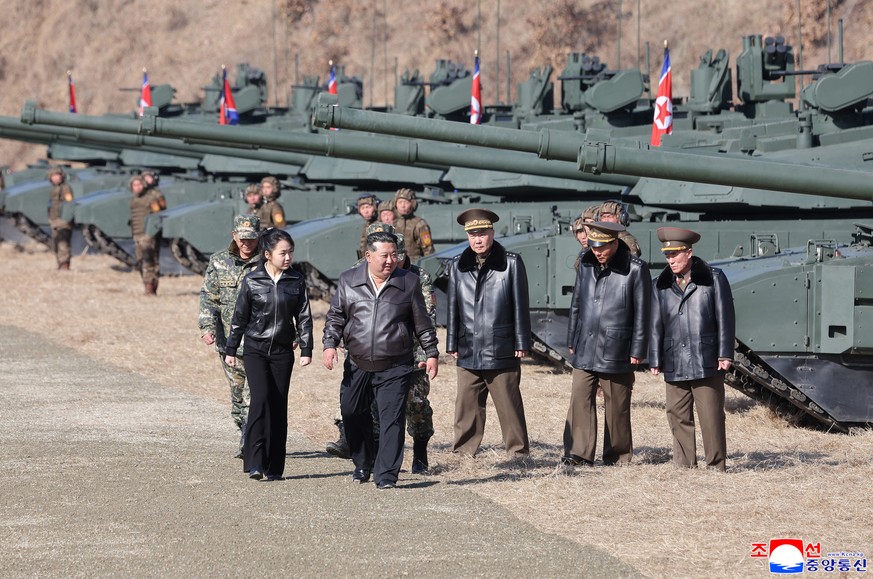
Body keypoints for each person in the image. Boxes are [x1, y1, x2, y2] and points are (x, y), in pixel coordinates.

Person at [322, 231, 439, 489]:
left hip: (395, 363)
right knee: (352, 413)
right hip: (357, 361)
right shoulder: (348, 280)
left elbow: (423, 323)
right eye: (384, 255)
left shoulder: (408, 282)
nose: (390, 261)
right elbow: (336, 317)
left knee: (391, 419)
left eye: (394, 255)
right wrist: (329, 344)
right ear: (368, 256)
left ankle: (386, 474)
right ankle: (363, 462)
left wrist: (431, 353)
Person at [224, 228, 313, 480]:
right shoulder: (252, 280)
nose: (288, 258)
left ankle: (274, 467)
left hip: (283, 352)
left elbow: (304, 317)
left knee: (278, 405)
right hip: (256, 350)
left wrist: (306, 348)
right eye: (282, 253)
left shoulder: (296, 281)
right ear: (267, 254)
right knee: (260, 399)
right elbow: (239, 317)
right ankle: (254, 462)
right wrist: (231, 348)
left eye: (290, 253)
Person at [564, 221, 651, 466]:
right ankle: (579, 453)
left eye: (602, 247)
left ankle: (618, 455)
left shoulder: (635, 269)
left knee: (617, 405)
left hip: (617, 345)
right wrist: (572, 336)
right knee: (580, 398)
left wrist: (638, 348)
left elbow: (644, 311)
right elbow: (577, 303)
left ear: (614, 243)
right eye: (593, 246)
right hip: (586, 343)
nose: (597, 251)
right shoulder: (586, 263)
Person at [446, 208, 531, 457]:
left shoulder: (511, 263)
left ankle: (517, 452)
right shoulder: (457, 266)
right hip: (468, 345)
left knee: (508, 404)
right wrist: (452, 341)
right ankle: (463, 450)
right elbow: (453, 307)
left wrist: (521, 340)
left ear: (492, 233)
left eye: (482, 233)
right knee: (466, 404)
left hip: (501, 345)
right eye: (472, 235)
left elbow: (520, 304)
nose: (477, 239)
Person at [649, 227, 735, 472]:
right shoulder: (661, 285)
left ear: (689, 252)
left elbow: (725, 318)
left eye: (675, 254)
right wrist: (654, 357)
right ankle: (684, 464)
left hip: (705, 357)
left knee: (711, 416)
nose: (671, 260)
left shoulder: (714, 278)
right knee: (676, 414)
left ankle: (716, 465)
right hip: (674, 357)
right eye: (667, 255)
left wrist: (725, 353)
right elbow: (656, 323)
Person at [199, 214, 263, 458]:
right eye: (242, 239)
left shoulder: (268, 262)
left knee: (254, 393)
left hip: (259, 341)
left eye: (251, 239)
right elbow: (208, 296)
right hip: (229, 343)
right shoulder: (218, 261)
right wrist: (207, 327)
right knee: (237, 394)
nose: (246, 244)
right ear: (234, 236)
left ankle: (251, 439)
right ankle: (244, 430)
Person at [129, 174, 166, 295]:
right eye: (134, 185)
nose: (137, 187)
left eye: (139, 184)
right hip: (137, 233)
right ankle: (149, 284)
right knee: (140, 260)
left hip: (148, 234)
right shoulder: (134, 199)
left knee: (148, 260)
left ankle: (150, 288)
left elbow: (159, 213)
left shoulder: (151, 197)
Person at [393, 188, 434, 262]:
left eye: (406, 202)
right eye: (400, 202)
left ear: (413, 204)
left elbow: (428, 250)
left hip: (413, 265)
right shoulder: (392, 223)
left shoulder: (420, 224)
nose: (403, 205)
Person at [47, 167, 74, 270]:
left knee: (63, 243)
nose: (55, 178)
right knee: (56, 243)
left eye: (57, 175)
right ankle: (60, 263)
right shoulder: (55, 188)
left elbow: (69, 202)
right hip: (55, 220)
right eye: (53, 176)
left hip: (62, 220)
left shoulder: (65, 188)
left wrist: (66, 219)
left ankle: (64, 265)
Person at [572, 204, 600, 270]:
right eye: (579, 232)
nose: (583, 237)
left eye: (585, 232)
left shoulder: (598, 252)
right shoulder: (584, 252)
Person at [356, 193, 380, 258]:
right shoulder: (367, 224)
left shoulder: (379, 225)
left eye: (368, 207)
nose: (366, 211)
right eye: (362, 208)